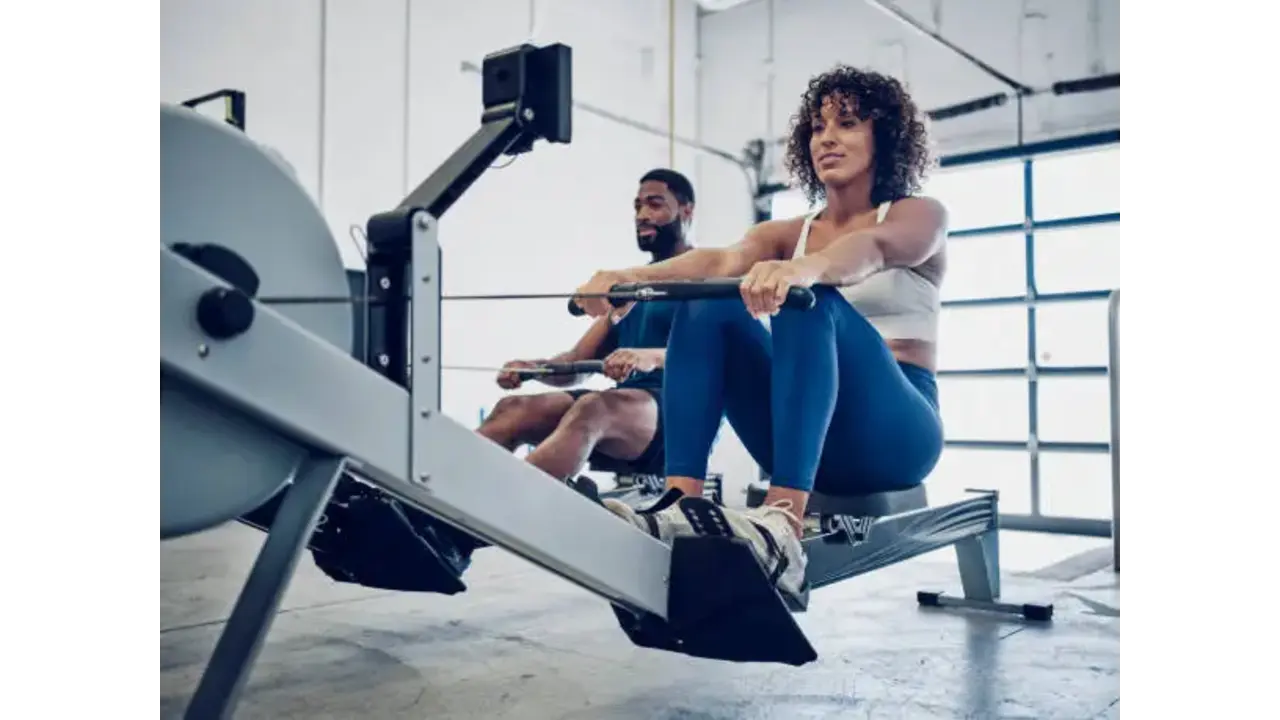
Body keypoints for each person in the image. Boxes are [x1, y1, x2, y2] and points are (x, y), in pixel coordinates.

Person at [572, 66, 947, 603]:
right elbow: (721, 258)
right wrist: (630, 278)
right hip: (805, 430)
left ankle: (783, 526)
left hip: (895, 433)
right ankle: (680, 502)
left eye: (847, 123)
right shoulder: (788, 233)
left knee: (803, 298)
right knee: (712, 300)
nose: (828, 138)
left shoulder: (919, 214)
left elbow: (876, 249)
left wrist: (805, 268)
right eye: (818, 127)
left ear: (883, 136)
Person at [476, 168, 698, 482]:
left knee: (595, 407)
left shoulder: (704, 280)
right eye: (637, 206)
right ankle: (441, 503)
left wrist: (648, 355)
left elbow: (712, 357)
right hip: (628, 407)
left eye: (655, 204)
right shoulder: (630, 287)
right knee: (513, 408)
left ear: (686, 211)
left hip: (681, 416)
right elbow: (576, 363)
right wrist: (534, 368)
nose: (642, 215)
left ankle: (508, 509)